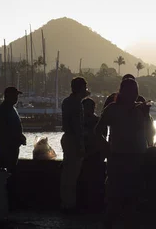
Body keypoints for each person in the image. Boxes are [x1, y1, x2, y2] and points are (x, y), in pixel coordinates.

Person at [96, 78, 149, 223]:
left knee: (134, 192)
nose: (132, 94)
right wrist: (106, 146)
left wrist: (147, 115)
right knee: (115, 192)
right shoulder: (112, 109)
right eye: (130, 91)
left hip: (138, 154)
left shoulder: (141, 109)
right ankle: (111, 221)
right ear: (122, 91)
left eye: (135, 91)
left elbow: (149, 131)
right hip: (118, 155)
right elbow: (98, 130)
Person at [60, 77, 88, 213]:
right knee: (72, 174)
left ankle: (66, 202)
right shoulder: (77, 104)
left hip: (67, 138)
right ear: (81, 88)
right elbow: (77, 126)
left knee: (67, 173)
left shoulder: (67, 102)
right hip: (73, 140)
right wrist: (81, 145)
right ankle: (69, 205)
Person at [77, 97, 105, 212]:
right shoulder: (79, 122)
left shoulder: (98, 121)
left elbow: (103, 139)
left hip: (94, 156)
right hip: (83, 155)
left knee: (94, 182)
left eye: (90, 107)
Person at [0, 86, 26, 172]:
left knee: (11, 169)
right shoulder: (2, 109)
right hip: (7, 146)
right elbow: (4, 129)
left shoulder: (11, 108)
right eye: (14, 95)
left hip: (13, 145)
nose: (16, 98)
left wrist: (20, 136)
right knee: (7, 170)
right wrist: (17, 137)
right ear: (7, 96)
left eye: (17, 96)